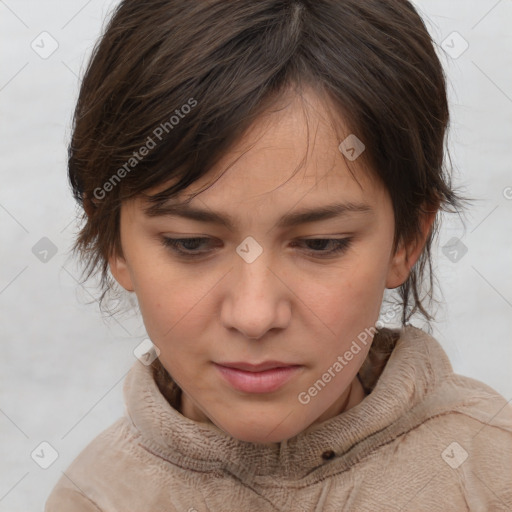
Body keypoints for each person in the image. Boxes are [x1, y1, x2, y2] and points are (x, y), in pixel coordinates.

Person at [45, 0, 512, 510]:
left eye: (320, 244)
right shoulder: (96, 497)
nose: (254, 315)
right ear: (113, 240)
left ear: (407, 239)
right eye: (191, 243)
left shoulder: (490, 473)